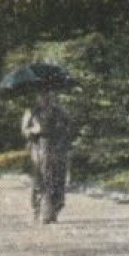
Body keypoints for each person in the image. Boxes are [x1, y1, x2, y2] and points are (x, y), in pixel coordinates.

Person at [21, 90, 74, 224]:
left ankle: (54, 210)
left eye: (48, 94)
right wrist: (34, 130)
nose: (45, 98)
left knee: (57, 179)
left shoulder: (60, 112)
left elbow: (69, 129)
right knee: (40, 180)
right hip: (39, 148)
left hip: (57, 148)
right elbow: (25, 131)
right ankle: (38, 210)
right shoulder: (32, 112)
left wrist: (62, 135)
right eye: (42, 95)